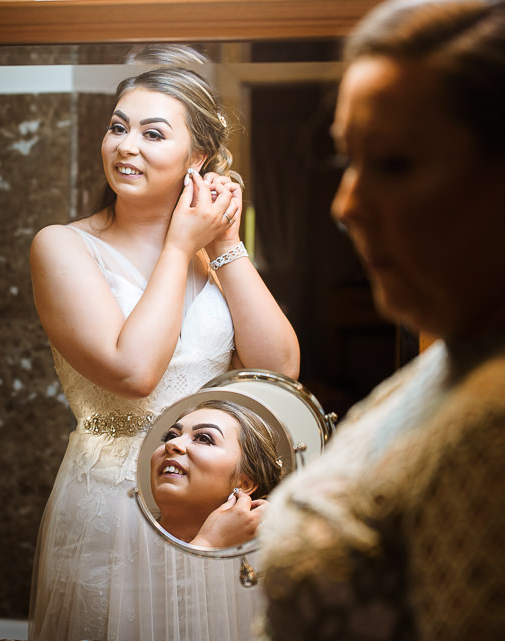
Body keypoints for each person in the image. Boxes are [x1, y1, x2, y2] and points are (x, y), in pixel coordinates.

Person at [28, 56, 300, 641]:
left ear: (197, 158)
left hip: (206, 500)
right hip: (110, 501)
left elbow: (278, 373)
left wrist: (225, 243)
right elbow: (134, 371)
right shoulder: (64, 247)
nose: (126, 146)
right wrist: (179, 247)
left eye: (153, 133)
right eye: (118, 127)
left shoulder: (212, 254)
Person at [257, 1, 505, 639]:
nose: (347, 205)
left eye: (394, 164)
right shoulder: (455, 358)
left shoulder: (494, 425)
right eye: (348, 159)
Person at [150, 399, 284, 548]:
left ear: (245, 483)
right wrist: (208, 543)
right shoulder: (122, 539)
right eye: (171, 436)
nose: (172, 444)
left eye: (203, 439)